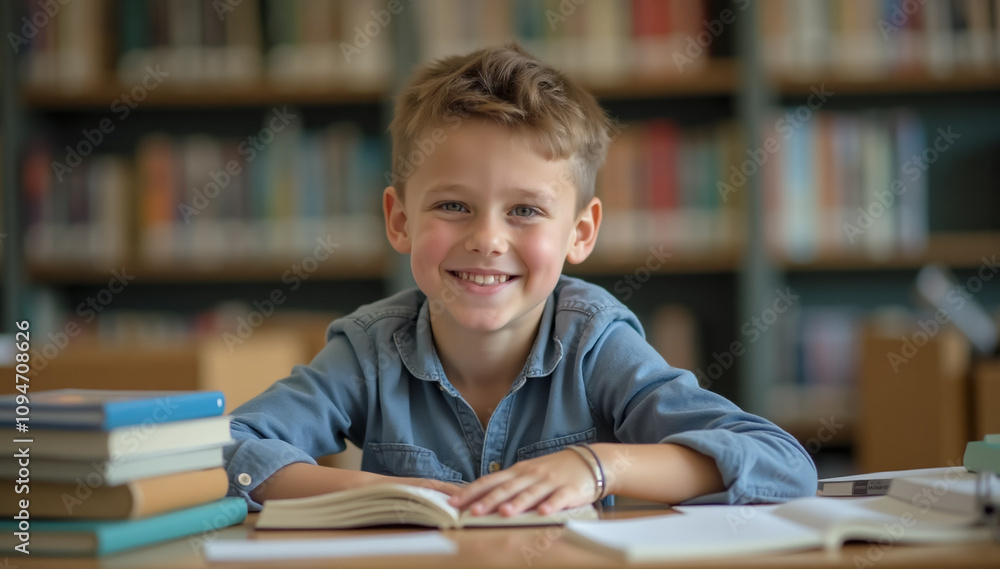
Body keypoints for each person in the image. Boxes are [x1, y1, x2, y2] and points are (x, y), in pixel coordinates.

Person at [224, 43, 817, 518]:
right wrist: (383, 494)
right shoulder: (369, 349)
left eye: (525, 211)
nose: (487, 239)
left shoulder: (595, 344)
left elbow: (779, 462)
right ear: (399, 220)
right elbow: (226, 448)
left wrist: (599, 465)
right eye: (453, 206)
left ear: (580, 234)